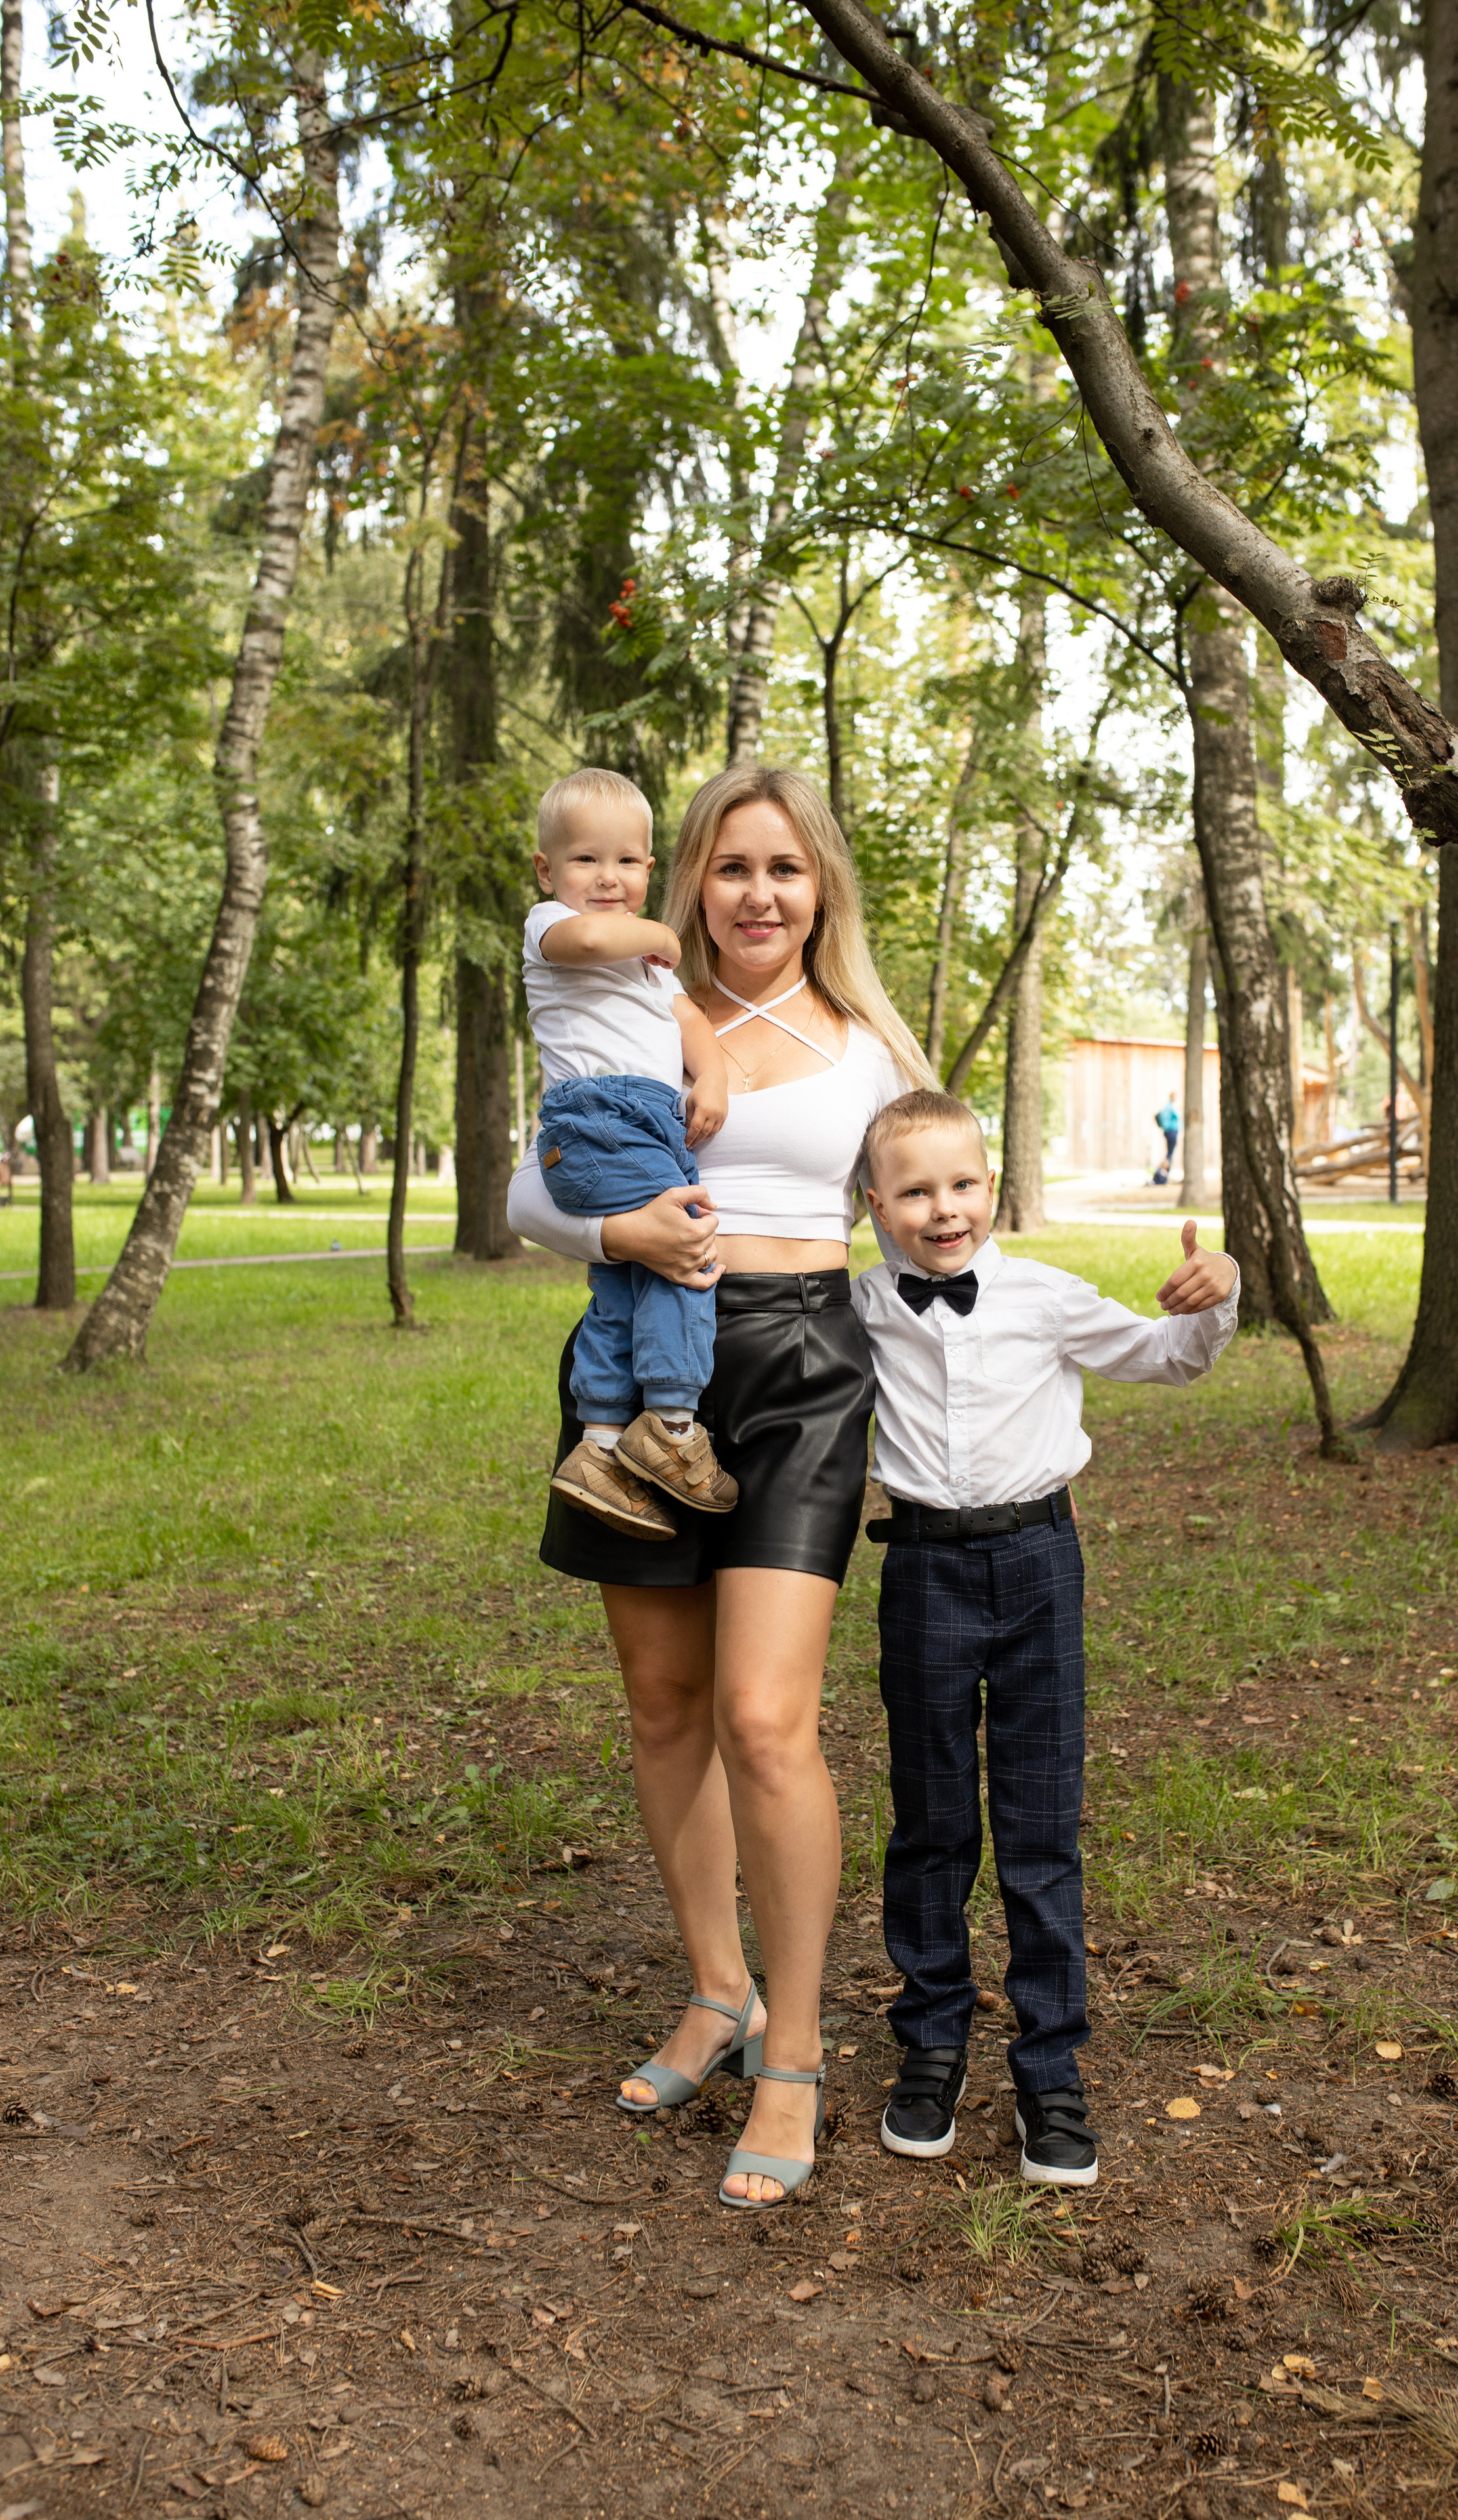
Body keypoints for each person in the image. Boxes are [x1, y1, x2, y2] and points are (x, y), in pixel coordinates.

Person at [507, 762, 932, 2209]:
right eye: (732, 868)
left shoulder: (868, 1042)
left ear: (822, 892)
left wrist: (1164, 1320)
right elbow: (531, 1190)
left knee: (765, 1719)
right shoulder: (617, 1000)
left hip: (804, 1370)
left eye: (786, 871)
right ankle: (713, 1991)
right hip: (640, 1362)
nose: (758, 895)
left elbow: (940, 1220)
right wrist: (621, 1233)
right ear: (687, 881)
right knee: (664, 1706)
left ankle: (797, 2048)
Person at [853, 1089, 1238, 2186]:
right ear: (874, 1202)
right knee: (930, 1818)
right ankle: (929, 2042)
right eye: (916, 1191)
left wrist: (1217, 1298)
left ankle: (1050, 2069)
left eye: (963, 1185)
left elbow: (1170, 1358)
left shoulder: (1045, 1298)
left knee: (1037, 1821)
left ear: (993, 1185)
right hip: (922, 1568)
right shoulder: (857, 1309)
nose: (943, 1210)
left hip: (1037, 1568)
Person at [524, 766, 737, 1538]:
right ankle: (674, 1424)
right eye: (585, 860)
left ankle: (601, 1442)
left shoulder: (653, 977)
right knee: (689, 1254)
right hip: (599, 1119)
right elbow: (588, 936)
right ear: (548, 871)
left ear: (649, 870)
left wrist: (709, 1078)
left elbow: (690, 1024)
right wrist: (658, 936)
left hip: (642, 1126)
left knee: (626, 1287)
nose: (606, 879)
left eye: (625, 862)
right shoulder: (553, 927)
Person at [1153, 1091, 1180, 1186]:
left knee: (1169, 1154)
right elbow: (1178, 1117)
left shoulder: (1167, 1107)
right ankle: (1164, 1174)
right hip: (1172, 1132)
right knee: (1169, 1155)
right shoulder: (1171, 1107)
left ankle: (1164, 1174)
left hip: (1168, 1132)